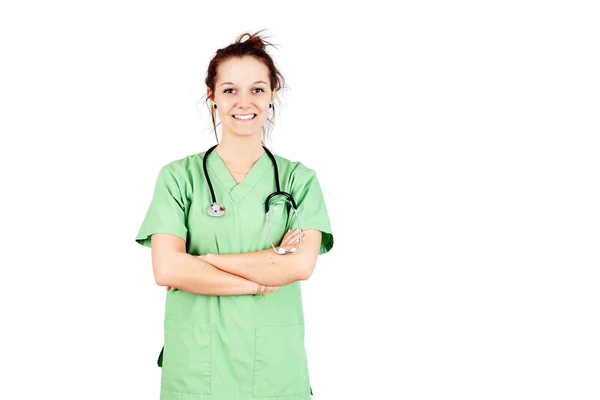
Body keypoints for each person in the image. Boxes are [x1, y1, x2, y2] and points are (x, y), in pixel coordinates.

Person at [135, 30, 334, 400]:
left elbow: (298, 267)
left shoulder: (299, 181)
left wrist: (204, 261)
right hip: (197, 370)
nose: (244, 102)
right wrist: (259, 279)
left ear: (273, 94)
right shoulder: (178, 178)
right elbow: (168, 270)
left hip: (274, 369)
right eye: (229, 90)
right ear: (212, 96)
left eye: (257, 89)